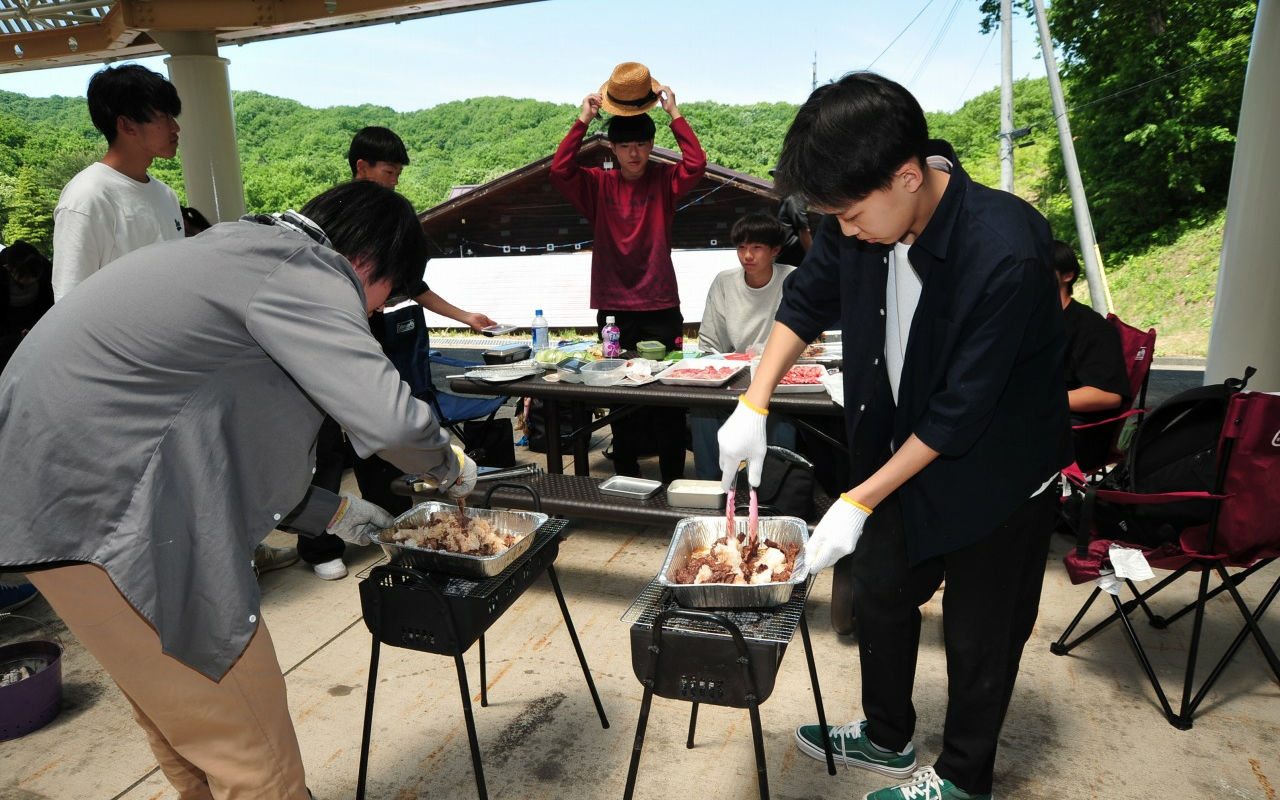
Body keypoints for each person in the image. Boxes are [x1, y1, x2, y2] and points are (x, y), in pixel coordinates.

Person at [0, 180, 478, 798]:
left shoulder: (233, 253)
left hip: (48, 504)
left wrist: (328, 512)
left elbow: (206, 438)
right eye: (386, 295)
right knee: (253, 751)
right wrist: (447, 464)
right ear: (364, 261)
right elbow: (390, 421)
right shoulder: (304, 268)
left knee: (183, 715)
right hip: (109, 521)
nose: (376, 314)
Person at [717, 72, 1068, 800]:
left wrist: (856, 500)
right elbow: (807, 299)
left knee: (980, 635)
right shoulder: (865, 216)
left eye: (848, 215)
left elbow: (960, 413)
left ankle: (965, 779)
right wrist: (754, 402)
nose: (843, 232)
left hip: (996, 467)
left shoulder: (1002, 249)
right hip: (898, 451)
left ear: (908, 176)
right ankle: (886, 734)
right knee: (879, 590)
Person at [298, 126, 498, 582]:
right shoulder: (335, 222)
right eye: (388, 172)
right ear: (361, 168)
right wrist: (446, 464)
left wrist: (466, 316)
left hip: (369, 343)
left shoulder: (389, 229)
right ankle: (317, 543)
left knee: (376, 439)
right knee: (325, 446)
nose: (394, 182)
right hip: (322, 347)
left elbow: (414, 286)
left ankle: (387, 522)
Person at [549, 61, 707, 483]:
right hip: (614, 312)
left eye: (641, 144)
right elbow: (559, 170)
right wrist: (583, 119)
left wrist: (675, 114)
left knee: (665, 394)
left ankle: (674, 477)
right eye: (625, 146)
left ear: (651, 144)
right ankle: (627, 477)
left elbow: (696, 164)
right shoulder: (597, 187)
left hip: (660, 305)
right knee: (619, 395)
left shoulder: (665, 180)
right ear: (613, 150)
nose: (634, 152)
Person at [51, 64, 185, 302]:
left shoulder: (166, 195)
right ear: (126, 125)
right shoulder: (87, 196)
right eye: (163, 117)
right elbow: (68, 302)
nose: (175, 127)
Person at [691, 212, 797, 479]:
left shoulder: (793, 280)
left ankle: (775, 488)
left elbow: (805, 340)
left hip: (779, 377)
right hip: (733, 378)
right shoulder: (724, 282)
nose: (747, 255)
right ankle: (712, 485)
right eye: (741, 247)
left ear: (775, 250)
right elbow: (709, 345)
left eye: (757, 247)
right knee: (702, 406)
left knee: (779, 410)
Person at [1054, 239, 1131, 471]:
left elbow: (1108, 395)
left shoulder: (1091, 328)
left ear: (1067, 275)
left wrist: (1041, 402)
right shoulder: (1033, 323)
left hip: (1077, 434)